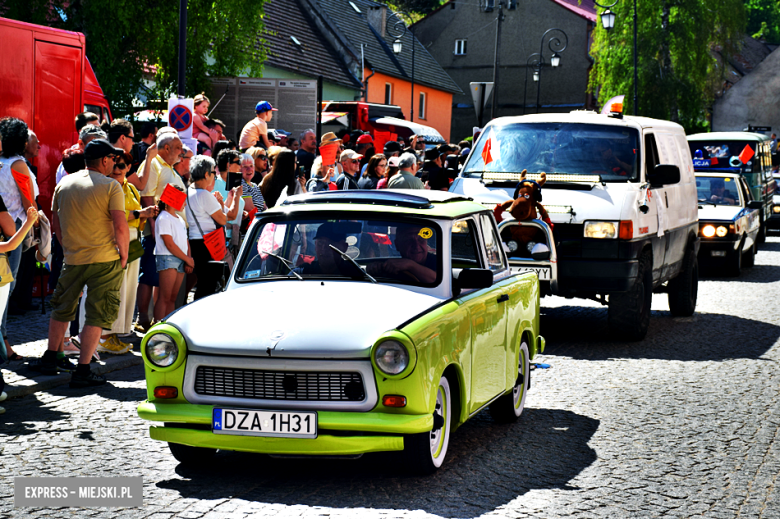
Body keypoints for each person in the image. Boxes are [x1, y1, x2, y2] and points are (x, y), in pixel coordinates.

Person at [36, 139, 128, 388]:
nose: (115, 163)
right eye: (113, 159)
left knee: (62, 308)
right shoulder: (111, 186)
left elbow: (57, 223)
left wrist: (67, 250)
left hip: (73, 257)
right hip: (104, 258)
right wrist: (124, 254)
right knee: (96, 315)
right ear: (105, 160)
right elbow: (121, 226)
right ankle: (83, 369)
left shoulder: (63, 183)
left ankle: (50, 357)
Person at [78, 151, 158, 354]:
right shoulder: (106, 187)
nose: (117, 169)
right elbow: (114, 214)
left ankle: (117, 331)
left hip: (132, 239)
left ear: (129, 168)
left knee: (128, 287)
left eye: (122, 166)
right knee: (114, 287)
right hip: (113, 237)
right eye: (115, 165)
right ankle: (104, 335)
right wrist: (142, 213)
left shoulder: (131, 188)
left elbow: (132, 214)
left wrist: (144, 215)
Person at [136, 132, 186, 331]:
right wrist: (157, 229)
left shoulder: (170, 168)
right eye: (179, 149)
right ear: (167, 149)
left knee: (160, 280)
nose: (181, 153)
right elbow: (147, 197)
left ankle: (158, 320)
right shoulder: (154, 164)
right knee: (148, 276)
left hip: (171, 231)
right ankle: (144, 320)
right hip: (158, 231)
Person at [0, 117, 38, 357]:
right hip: (14, 227)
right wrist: (33, 226)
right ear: (23, 141)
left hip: (3, 224)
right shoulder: (18, 164)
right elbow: (28, 201)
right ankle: (3, 345)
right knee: (6, 287)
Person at [186, 156, 240, 300]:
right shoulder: (204, 194)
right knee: (208, 285)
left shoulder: (189, 191)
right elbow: (223, 220)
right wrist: (226, 203)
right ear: (206, 174)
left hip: (195, 241)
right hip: (207, 243)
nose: (214, 176)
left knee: (203, 283)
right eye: (213, 173)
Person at [154, 185, 192, 322]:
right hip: (168, 258)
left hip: (180, 259)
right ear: (173, 199)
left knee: (172, 298)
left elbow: (185, 241)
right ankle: (157, 328)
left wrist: (188, 259)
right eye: (182, 199)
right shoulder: (164, 218)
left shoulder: (180, 220)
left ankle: (166, 327)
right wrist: (187, 259)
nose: (185, 203)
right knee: (164, 297)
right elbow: (169, 244)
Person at [366, 225, 436, 284]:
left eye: (421, 239)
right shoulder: (390, 268)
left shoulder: (438, 261)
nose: (416, 245)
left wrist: (411, 265)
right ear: (397, 245)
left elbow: (438, 280)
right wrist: (375, 269)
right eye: (409, 240)